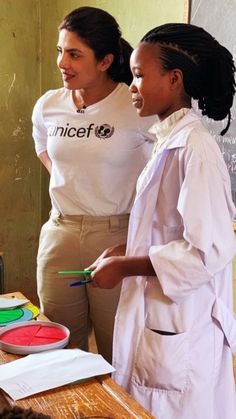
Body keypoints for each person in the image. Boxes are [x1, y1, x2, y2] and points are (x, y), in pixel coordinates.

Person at [88, 23, 236, 418]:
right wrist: (126, 250)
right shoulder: (167, 142)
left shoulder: (195, 149)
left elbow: (209, 251)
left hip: (181, 322)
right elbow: (167, 230)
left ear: (174, 79)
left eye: (139, 75)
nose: (131, 86)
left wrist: (127, 266)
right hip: (160, 316)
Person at [32, 6, 154, 363]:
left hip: (117, 237)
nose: (62, 63)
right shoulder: (49, 105)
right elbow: (42, 143)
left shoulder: (133, 106)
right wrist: (68, 179)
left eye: (74, 54)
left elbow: (161, 169)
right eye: (60, 51)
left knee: (119, 351)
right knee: (58, 352)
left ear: (105, 62)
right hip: (61, 233)